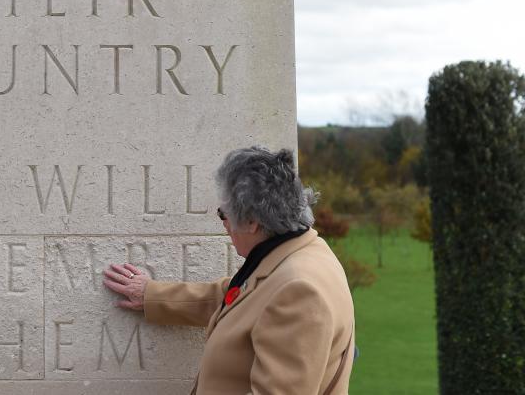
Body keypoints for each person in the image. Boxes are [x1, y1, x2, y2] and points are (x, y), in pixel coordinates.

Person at [103, 146, 355, 395]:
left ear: (251, 221)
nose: (224, 224)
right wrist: (152, 294)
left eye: (223, 214)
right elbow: (240, 299)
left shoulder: (299, 290)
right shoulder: (302, 252)